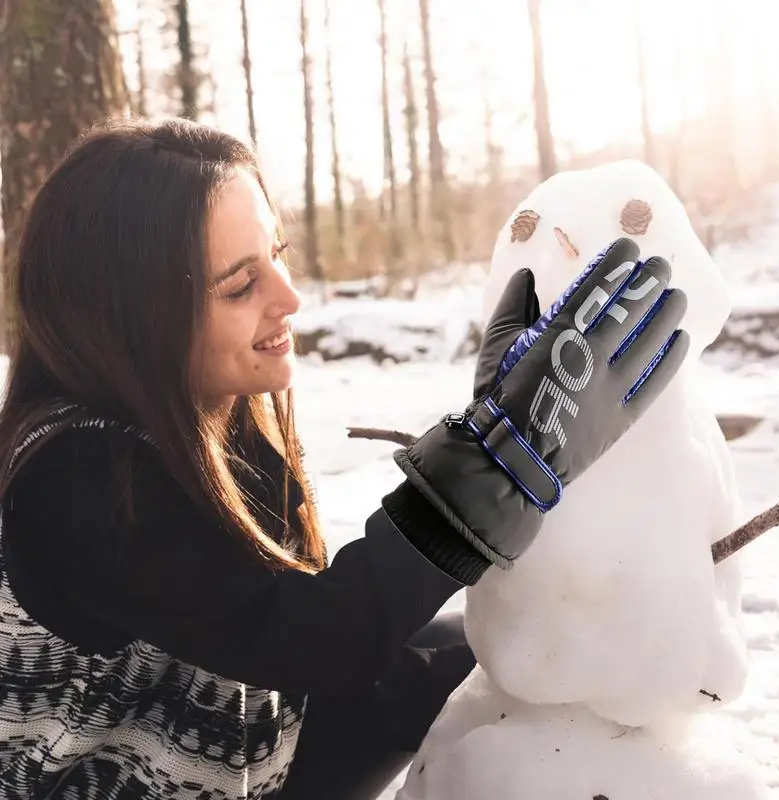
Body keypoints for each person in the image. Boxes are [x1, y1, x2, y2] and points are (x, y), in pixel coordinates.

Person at [0, 117, 689, 800]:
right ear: (129, 316)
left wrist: (497, 439)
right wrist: (499, 462)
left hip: (239, 737)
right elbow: (318, 638)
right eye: (241, 285)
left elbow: (284, 631)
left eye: (278, 253)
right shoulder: (80, 477)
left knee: (498, 657)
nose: (289, 298)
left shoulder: (203, 410)